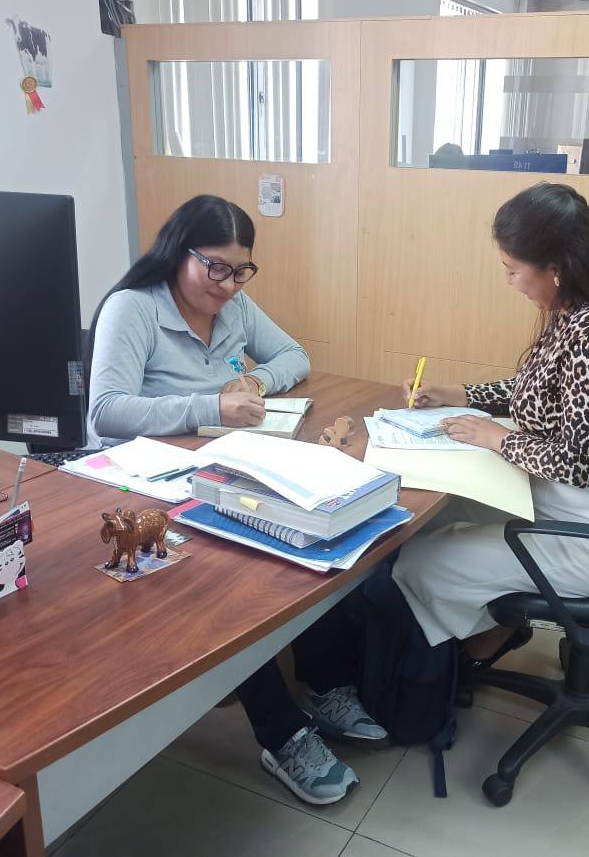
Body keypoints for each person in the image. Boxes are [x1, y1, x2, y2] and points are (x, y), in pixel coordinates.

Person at [88, 195, 386, 805]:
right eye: (215, 268)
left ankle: (325, 682)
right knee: (233, 583)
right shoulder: (133, 308)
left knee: (310, 538)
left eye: (239, 270)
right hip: (149, 482)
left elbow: (294, 356)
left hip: (227, 466)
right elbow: (106, 411)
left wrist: (255, 380)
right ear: (179, 252)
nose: (227, 285)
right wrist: (210, 406)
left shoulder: (234, 305)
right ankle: (283, 734)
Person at [392, 182, 589, 665]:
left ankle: (457, 660)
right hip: (573, 511)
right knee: (435, 521)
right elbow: (539, 389)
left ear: (555, 268)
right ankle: (489, 632)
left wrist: (497, 438)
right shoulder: (576, 314)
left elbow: (576, 464)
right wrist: (458, 394)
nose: (510, 281)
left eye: (512, 269)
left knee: (423, 560)